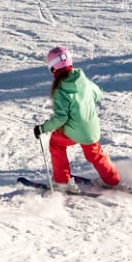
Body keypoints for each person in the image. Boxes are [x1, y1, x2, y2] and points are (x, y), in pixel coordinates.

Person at [32, 47, 121, 192]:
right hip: (90, 130)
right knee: (94, 153)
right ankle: (112, 180)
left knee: (56, 143)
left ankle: (62, 181)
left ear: (52, 68)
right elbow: (99, 94)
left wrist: (43, 128)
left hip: (73, 132)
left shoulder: (61, 90)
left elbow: (61, 118)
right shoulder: (83, 81)